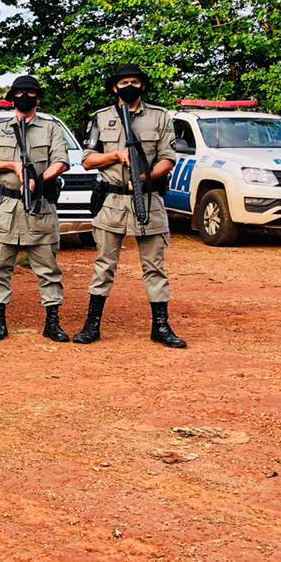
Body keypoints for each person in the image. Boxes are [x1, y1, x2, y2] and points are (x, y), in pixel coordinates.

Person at [76, 62, 186, 348]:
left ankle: (161, 326)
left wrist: (144, 177)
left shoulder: (159, 116)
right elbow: (87, 160)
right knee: (104, 265)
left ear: (143, 85)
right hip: (112, 201)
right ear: (115, 88)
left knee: (154, 266)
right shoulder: (101, 118)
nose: (129, 87)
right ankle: (92, 325)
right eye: (123, 83)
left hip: (148, 199)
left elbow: (168, 157)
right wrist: (115, 156)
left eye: (134, 82)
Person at [0, 75, 70, 342]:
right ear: (12, 98)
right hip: (6, 210)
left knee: (49, 270)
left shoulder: (51, 128)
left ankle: (52, 323)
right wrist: (12, 165)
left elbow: (61, 162)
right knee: (0, 269)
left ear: (38, 98)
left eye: (30, 93)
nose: (24, 97)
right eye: (19, 93)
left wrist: (39, 179)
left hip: (39, 208)